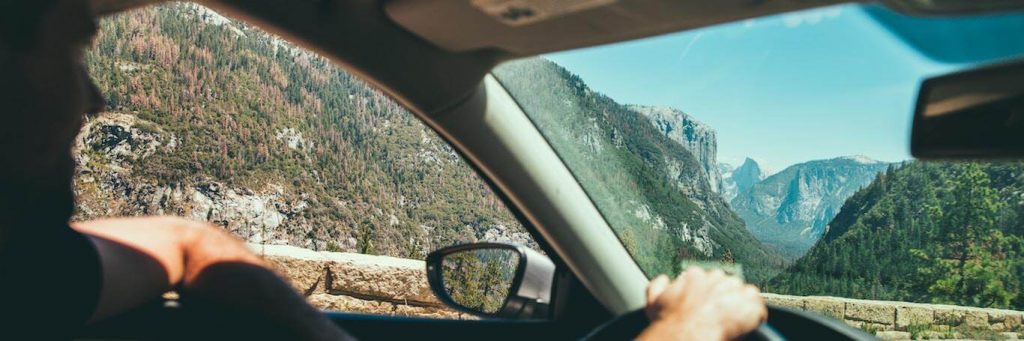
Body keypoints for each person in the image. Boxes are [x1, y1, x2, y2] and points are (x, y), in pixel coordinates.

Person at [0, 0, 766, 340]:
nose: (93, 97)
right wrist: (684, 328)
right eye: (74, 46)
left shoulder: (26, 277)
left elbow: (187, 241)